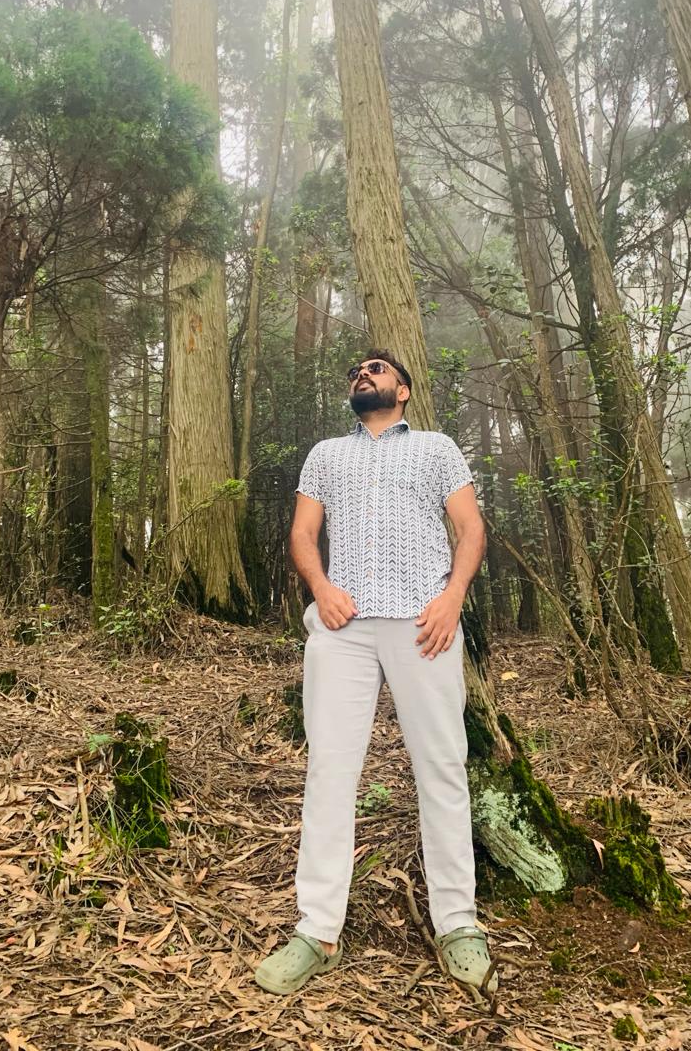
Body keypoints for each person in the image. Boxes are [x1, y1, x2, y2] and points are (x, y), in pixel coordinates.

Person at [254, 349, 495, 995]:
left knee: (442, 767)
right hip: (344, 629)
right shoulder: (326, 455)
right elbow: (303, 534)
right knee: (330, 771)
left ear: (404, 390)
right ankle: (317, 931)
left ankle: (458, 924)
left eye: (378, 369)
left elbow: (470, 529)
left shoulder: (438, 449)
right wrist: (321, 588)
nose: (364, 374)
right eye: (357, 371)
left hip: (425, 624)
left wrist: (452, 599)